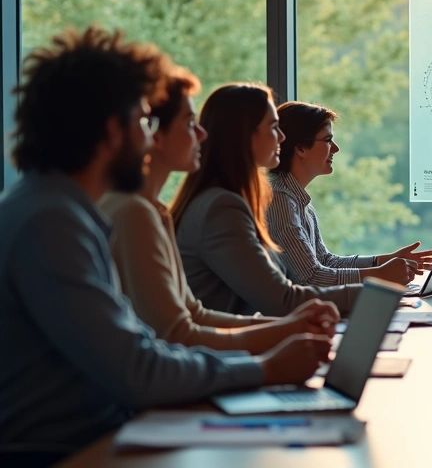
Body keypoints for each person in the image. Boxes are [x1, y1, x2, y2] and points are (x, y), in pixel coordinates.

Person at [0, 27, 330, 463]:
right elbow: (139, 368)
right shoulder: (51, 223)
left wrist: (274, 345)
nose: (148, 136)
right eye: (142, 121)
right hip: (65, 450)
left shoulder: (58, 209)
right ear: (111, 131)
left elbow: (147, 347)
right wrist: (266, 368)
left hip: (101, 430)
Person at [99, 66, 339, 353]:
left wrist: (288, 329)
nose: (201, 134)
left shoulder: (156, 210)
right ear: (155, 136)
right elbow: (176, 333)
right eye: (190, 122)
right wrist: (268, 362)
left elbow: (194, 315)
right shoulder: (154, 211)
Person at [172, 84, 393, 316]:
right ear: (245, 134)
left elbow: (307, 273)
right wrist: (379, 287)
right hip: (230, 349)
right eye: (274, 127)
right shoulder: (224, 207)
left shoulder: (232, 200)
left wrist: (379, 271)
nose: (282, 137)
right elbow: (283, 299)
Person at [267, 101, 432, 286]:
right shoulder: (281, 199)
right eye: (328, 140)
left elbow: (325, 261)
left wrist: (385, 261)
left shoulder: (296, 198)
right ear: (300, 149)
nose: (336, 149)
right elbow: (311, 278)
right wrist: (379, 274)